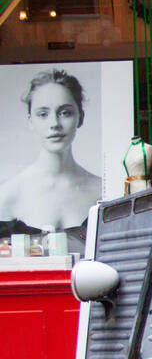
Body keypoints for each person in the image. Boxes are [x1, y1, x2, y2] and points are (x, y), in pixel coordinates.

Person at [0, 69, 100, 252]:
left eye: (65, 112)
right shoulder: (6, 196)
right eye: (43, 114)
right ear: (30, 121)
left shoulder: (102, 192)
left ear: (80, 117)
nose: (54, 123)